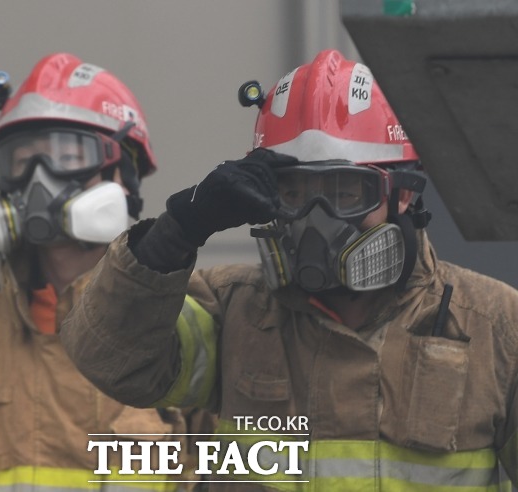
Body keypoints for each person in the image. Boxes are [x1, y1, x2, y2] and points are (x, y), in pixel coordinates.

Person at [60, 49, 518, 489]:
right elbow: (111, 360)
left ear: (402, 194)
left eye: (346, 192)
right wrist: (177, 232)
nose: (317, 222)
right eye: (293, 192)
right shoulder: (232, 309)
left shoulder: (495, 328)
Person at [0, 52, 209, 490]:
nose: (39, 183)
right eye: (21, 162)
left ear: (124, 175)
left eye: (67, 156)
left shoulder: (189, 325)